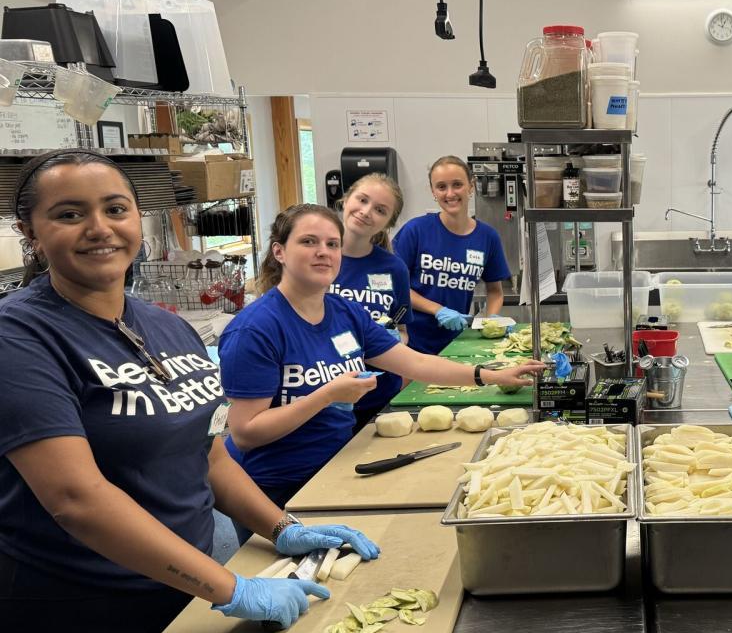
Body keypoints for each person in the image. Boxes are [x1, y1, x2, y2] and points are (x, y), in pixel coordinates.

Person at [0, 151, 378, 633]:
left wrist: (280, 526)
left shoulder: (165, 327)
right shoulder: (21, 337)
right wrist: (229, 587)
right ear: (31, 234)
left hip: (180, 592)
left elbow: (209, 455)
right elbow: (76, 500)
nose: (99, 227)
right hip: (78, 618)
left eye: (115, 209)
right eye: (70, 214)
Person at [220, 204, 541, 539]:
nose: (323, 253)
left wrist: (490, 374)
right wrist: (326, 395)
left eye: (332, 244)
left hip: (337, 467)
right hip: (276, 491)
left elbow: (414, 362)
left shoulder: (344, 312)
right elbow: (246, 432)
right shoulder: (256, 330)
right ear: (279, 251)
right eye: (309, 242)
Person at [392, 156, 510, 355]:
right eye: (441, 187)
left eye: (457, 184)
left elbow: (495, 291)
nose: (450, 193)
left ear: (470, 186)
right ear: (433, 191)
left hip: (457, 344)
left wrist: (492, 319)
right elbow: (396, 287)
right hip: (413, 345)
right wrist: (437, 309)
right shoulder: (415, 231)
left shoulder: (487, 237)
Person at [330, 172, 413, 431]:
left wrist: (395, 339)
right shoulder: (318, 259)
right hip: (321, 395)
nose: (366, 212)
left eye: (380, 210)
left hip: (376, 394)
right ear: (345, 199)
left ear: (389, 222)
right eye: (362, 200)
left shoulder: (393, 268)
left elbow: (401, 328)